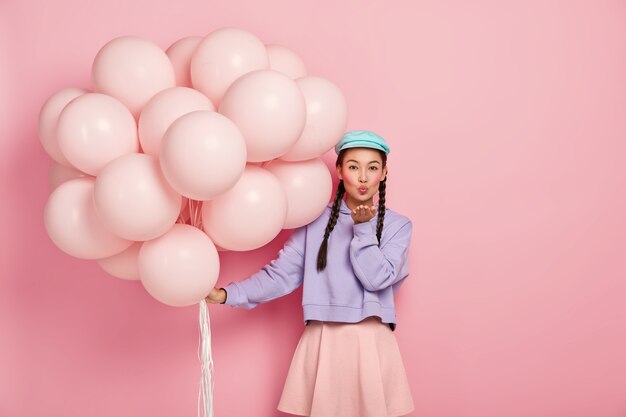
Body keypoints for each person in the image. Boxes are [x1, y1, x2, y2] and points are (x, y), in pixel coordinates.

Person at [205, 130, 415, 417]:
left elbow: (377, 278)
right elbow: (281, 275)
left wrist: (363, 230)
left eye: (373, 168)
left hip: (371, 340)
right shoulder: (314, 220)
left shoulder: (397, 226)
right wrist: (229, 294)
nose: (363, 177)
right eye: (354, 167)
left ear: (384, 172)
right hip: (323, 337)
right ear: (340, 171)